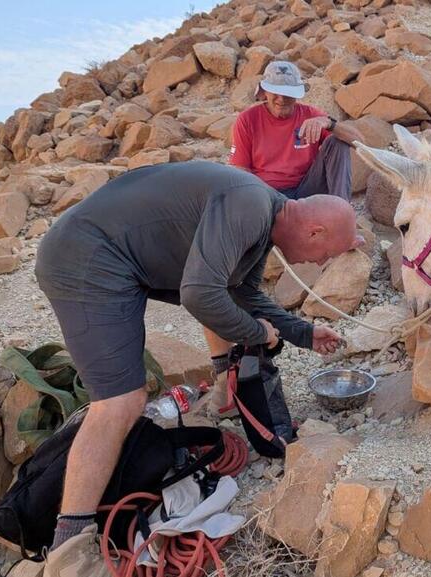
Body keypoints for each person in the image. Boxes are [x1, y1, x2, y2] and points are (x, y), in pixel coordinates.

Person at [34, 160, 362, 555]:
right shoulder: (251, 205)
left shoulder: (263, 220)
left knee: (134, 390)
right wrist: (257, 332)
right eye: (327, 254)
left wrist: (304, 333)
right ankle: (68, 550)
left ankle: (215, 393)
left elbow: (243, 295)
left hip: (114, 256)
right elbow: (200, 294)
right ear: (315, 231)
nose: (319, 264)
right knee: (119, 402)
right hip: (85, 256)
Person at [230, 60, 365, 199]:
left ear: (296, 94)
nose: (281, 99)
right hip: (267, 193)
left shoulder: (310, 114)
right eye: (276, 92)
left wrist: (329, 123)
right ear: (265, 92)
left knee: (338, 142)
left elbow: (361, 142)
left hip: (306, 188)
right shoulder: (247, 119)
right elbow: (241, 170)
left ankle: (341, 211)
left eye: (287, 93)